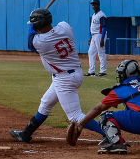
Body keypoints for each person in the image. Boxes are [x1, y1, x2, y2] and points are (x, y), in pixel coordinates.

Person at [9, 8, 104, 143]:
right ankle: (25, 134)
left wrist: (34, 22)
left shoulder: (40, 42)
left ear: (38, 25)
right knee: (46, 103)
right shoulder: (65, 27)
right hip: (74, 73)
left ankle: (109, 134)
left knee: (75, 115)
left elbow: (31, 36)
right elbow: (46, 30)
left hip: (64, 79)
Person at [86, 0, 107, 77]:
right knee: (91, 52)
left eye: (95, 4)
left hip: (99, 34)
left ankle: (103, 71)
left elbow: (104, 27)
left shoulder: (101, 15)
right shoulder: (94, 15)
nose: (93, 6)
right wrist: (91, 37)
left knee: (101, 52)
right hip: (94, 35)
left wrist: (102, 38)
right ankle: (91, 71)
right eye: (92, 5)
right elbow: (93, 28)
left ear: (98, 5)